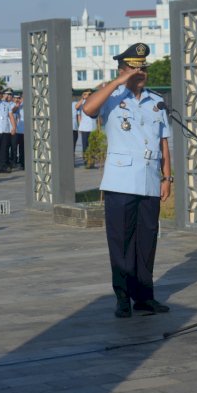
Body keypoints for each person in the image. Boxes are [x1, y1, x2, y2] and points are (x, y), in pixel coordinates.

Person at [82, 42, 173, 318]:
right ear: (122, 70)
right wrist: (119, 82)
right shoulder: (111, 98)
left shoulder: (155, 101)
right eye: (134, 68)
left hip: (148, 180)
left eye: (143, 68)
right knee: (121, 243)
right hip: (120, 182)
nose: (140, 73)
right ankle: (122, 298)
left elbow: (164, 142)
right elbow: (88, 109)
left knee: (146, 242)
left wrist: (167, 177)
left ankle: (144, 297)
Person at [76, 89, 97, 165]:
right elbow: (76, 107)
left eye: (90, 94)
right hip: (85, 128)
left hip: (93, 127)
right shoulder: (82, 103)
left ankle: (92, 161)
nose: (88, 95)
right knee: (85, 146)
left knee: (93, 145)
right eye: (86, 94)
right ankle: (86, 162)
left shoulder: (94, 102)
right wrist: (83, 98)